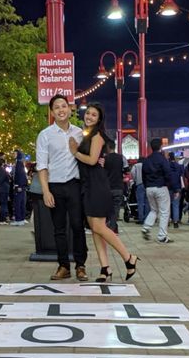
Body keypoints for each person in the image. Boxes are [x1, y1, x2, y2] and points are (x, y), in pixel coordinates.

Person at [69, 104, 139, 281]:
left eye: (94, 115)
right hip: (88, 184)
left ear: (99, 119)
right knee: (94, 228)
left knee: (99, 227)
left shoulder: (97, 136)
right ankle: (105, 268)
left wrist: (75, 152)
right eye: (88, 114)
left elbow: (92, 161)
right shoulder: (87, 135)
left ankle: (129, 258)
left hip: (96, 184)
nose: (89, 117)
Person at [36, 94, 88, 280]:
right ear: (51, 112)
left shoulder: (79, 133)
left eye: (63, 106)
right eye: (56, 107)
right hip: (55, 186)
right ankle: (63, 266)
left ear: (69, 108)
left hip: (74, 185)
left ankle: (81, 266)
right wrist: (46, 191)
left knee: (77, 226)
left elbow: (87, 159)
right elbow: (42, 165)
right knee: (58, 229)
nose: (60, 110)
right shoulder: (45, 135)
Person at [141, 138, 174, 244]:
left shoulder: (146, 160)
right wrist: (170, 186)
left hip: (149, 188)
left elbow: (143, 175)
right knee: (164, 212)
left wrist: (147, 186)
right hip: (161, 187)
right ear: (161, 146)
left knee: (154, 210)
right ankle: (162, 236)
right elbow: (168, 173)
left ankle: (146, 227)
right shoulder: (162, 159)